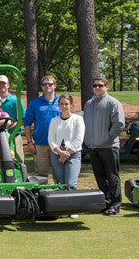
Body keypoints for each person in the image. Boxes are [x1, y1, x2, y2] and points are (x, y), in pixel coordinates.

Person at [83, 76, 125, 216]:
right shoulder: (89, 104)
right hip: (94, 148)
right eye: (94, 85)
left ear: (106, 87)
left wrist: (106, 138)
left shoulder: (113, 103)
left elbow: (119, 125)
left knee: (112, 177)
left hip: (109, 147)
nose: (97, 88)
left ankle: (115, 204)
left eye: (100, 85)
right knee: (100, 177)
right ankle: (105, 202)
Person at [24, 76, 60, 179]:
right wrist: (29, 142)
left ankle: (61, 194)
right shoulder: (34, 103)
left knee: (59, 175)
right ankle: (42, 194)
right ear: (41, 87)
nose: (47, 86)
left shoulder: (62, 102)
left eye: (50, 84)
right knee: (41, 176)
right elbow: (27, 123)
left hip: (58, 145)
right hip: (40, 144)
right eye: (44, 84)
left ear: (54, 86)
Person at [48, 93, 85, 194]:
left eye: (66, 104)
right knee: (60, 184)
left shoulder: (78, 119)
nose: (64, 106)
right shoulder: (54, 121)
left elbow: (79, 139)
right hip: (57, 155)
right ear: (58, 105)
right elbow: (51, 139)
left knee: (70, 184)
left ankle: (73, 205)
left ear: (71, 105)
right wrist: (60, 153)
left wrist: (66, 153)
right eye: (62, 104)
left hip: (73, 154)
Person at [0, 75, 26, 164]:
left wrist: (9, 127)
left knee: (18, 160)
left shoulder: (15, 100)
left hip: (14, 135)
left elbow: (22, 119)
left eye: (3, 83)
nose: (1, 86)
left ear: (8, 85)